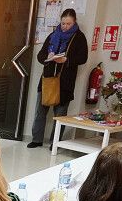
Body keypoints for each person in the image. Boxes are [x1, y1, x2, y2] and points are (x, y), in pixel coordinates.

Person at [28, 9, 88, 148]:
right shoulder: (52, 36)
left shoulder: (79, 37)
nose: (65, 26)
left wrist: (66, 60)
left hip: (65, 82)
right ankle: (36, 139)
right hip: (47, 79)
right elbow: (40, 56)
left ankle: (55, 143)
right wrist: (48, 58)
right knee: (40, 112)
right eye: (63, 23)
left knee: (60, 115)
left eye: (68, 23)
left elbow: (83, 58)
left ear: (74, 23)